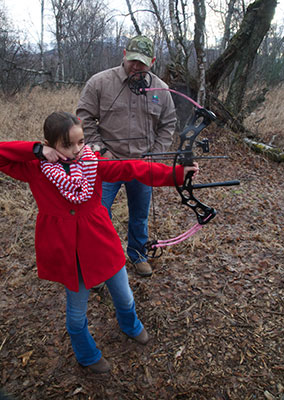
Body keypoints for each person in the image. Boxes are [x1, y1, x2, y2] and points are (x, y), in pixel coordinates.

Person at [0, 111, 197, 374]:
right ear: (50, 145)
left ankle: (130, 325)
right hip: (67, 251)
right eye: (67, 145)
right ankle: (86, 354)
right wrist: (35, 150)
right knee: (76, 313)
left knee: (125, 296)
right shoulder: (36, 169)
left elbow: (132, 168)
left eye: (80, 142)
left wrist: (175, 174)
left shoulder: (93, 164)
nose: (76, 150)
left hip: (101, 242)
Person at [76, 35, 177, 277]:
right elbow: (84, 118)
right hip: (107, 164)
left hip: (142, 165)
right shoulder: (100, 82)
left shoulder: (161, 90)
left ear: (152, 61)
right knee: (98, 215)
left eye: (142, 63)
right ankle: (98, 262)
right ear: (124, 54)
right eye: (132, 60)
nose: (136, 66)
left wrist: (155, 156)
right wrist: (101, 150)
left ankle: (138, 254)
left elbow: (168, 124)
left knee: (140, 215)